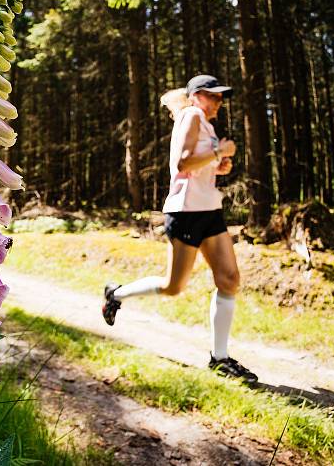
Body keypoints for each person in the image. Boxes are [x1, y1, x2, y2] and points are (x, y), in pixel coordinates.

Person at [102, 74, 257, 383]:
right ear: (198, 95)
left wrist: (218, 166)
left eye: (221, 97)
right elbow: (184, 163)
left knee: (229, 279)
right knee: (174, 287)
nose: (219, 102)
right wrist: (220, 153)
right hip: (185, 213)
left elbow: (198, 166)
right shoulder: (192, 115)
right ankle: (115, 294)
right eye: (214, 96)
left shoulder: (205, 124)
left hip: (210, 210)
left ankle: (220, 358)